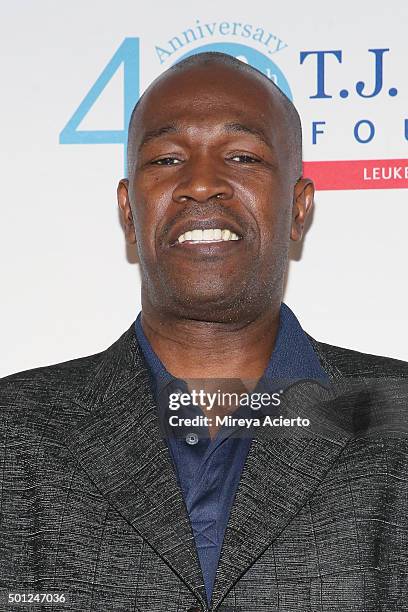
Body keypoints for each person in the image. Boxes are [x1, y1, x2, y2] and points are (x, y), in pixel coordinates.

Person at [1, 52, 408, 612]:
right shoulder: (15, 429)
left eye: (242, 156)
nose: (201, 184)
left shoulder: (397, 415)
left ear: (298, 207)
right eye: (167, 159)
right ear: (128, 210)